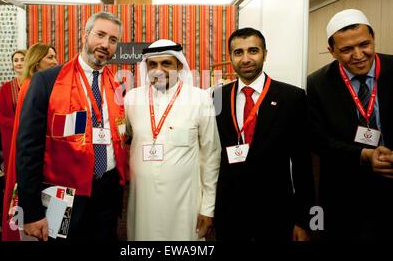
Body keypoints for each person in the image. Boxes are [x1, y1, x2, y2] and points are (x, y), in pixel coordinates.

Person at [16, 12, 127, 241]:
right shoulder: (47, 81)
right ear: (85, 35)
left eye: (113, 40)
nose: (105, 44)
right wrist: (31, 210)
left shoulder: (116, 85)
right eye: (100, 35)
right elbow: (28, 148)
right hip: (62, 194)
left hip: (106, 194)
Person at [213, 27, 315, 241]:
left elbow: (302, 164)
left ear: (265, 54)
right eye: (238, 52)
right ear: (230, 57)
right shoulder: (218, 97)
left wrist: (303, 220)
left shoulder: (292, 97)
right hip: (230, 210)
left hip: (276, 210)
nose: (246, 58)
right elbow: (213, 155)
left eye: (253, 50)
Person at [307, 9, 393, 240]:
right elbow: (318, 140)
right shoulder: (317, 83)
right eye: (346, 50)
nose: (358, 55)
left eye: (364, 44)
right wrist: (364, 154)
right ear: (332, 51)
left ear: (373, 39)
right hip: (344, 188)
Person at [124, 39, 221, 241]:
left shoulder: (200, 98)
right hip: (143, 202)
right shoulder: (131, 99)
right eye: (152, 64)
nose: (158, 70)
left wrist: (208, 208)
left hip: (185, 202)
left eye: (166, 63)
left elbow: (211, 155)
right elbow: (128, 137)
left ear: (179, 64)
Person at [2, 43, 58, 241]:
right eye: (50, 57)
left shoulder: (32, 84)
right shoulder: (33, 85)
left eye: (55, 56)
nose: (55, 61)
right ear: (36, 62)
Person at [0, 49, 26, 174]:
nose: (18, 63)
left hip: (35, 135)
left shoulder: (36, 84)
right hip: (13, 136)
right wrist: (21, 124)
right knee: (15, 170)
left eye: (22, 59)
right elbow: (1, 117)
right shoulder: (6, 88)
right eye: (15, 60)